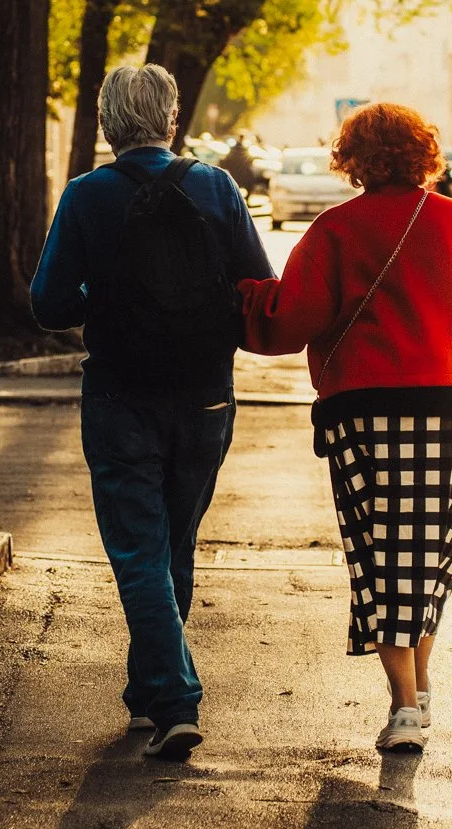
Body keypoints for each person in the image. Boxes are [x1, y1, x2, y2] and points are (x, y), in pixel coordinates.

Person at [237, 103, 452, 754]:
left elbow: (287, 318)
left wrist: (239, 295)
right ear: (422, 153)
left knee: (379, 552)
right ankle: (417, 690)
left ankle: (403, 706)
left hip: (365, 408)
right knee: (429, 550)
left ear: (352, 158)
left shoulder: (335, 230)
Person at [30, 64, 273, 761]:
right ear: (171, 120)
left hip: (119, 395)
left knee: (138, 548)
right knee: (174, 542)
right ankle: (147, 691)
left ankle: (173, 701)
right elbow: (257, 285)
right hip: (205, 394)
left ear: (107, 124)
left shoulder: (86, 196)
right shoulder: (216, 185)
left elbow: (49, 305)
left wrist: (100, 296)